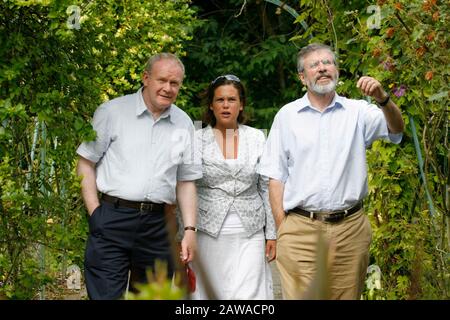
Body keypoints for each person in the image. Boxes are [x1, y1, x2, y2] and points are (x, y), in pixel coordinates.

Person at [258, 43, 405, 300]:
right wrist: (284, 227)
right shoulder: (287, 116)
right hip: (301, 230)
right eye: (314, 65)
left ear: (336, 70)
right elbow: (276, 176)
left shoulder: (358, 111)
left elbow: (396, 129)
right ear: (302, 77)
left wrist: (383, 99)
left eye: (327, 62)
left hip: (350, 230)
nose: (322, 68)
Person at [76, 53, 202, 300]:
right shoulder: (112, 112)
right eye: (162, 80)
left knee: (152, 297)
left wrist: (189, 229)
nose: (168, 88)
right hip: (112, 219)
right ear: (146, 78)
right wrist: (95, 213)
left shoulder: (184, 123)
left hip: (158, 226)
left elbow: (186, 181)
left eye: (174, 83)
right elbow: (85, 162)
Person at [178, 74, 277, 299]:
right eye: (220, 100)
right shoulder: (195, 139)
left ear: (241, 105)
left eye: (231, 100)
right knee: (209, 291)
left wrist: (272, 233)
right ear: (211, 105)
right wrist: (182, 234)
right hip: (207, 231)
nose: (225, 105)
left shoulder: (258, 138)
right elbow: (184, 187)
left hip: (250, 231)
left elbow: (266, 187)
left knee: (249, 293)